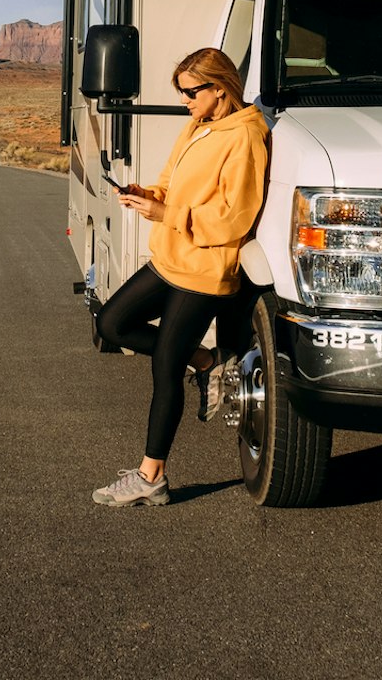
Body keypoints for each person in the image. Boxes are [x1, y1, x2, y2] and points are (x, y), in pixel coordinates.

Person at [91, 48, 269, 507]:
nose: (184, 100)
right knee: (111, 324)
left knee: (163, 366)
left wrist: (165, 212)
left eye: (191, 92)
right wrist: (146, 194)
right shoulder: (199, 125)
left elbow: (236, 218)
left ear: (220, 89)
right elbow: (171, 182)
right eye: (182, 92)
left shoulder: (246, 137)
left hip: (204, 269)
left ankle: (152, 476)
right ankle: (207, 361)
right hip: (171, 256)